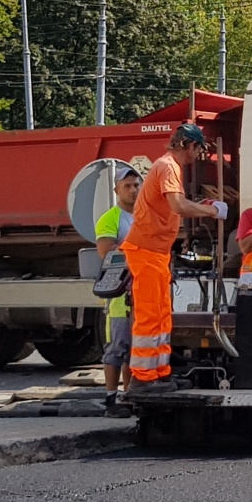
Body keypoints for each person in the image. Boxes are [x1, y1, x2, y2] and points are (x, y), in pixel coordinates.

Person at [121, 124, 227, 395]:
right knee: (149, 316)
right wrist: (211, 211)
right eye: (199, 148)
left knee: (160, 315)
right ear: (190, 146)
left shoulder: (168, 167)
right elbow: (178, 206)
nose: (198, 154)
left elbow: (173, 206)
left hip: (154, 252)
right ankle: (144, 378)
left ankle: (159, 374)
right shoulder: (168, 167)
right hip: (147, 251)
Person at [95, 166, 141, 418]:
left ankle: (129, 396)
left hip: (143, 292)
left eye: (136, 185)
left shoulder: (144, 215)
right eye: (127, 186)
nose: (133, 190)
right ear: (116, 190)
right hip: (120, 295)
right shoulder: (110, 218)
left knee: (135, 350)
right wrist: (137, 241)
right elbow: (107, 252)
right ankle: (111, 400)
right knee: (117, 348)